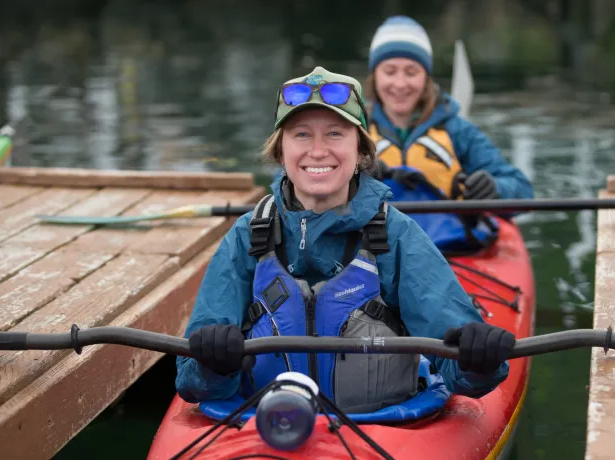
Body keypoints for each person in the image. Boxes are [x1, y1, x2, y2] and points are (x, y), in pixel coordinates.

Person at [174, 67, 515, 416]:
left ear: (361, 154)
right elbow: (190, 380)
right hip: (262, 430)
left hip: (379, 432)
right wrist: (213, 363)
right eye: (301, 134)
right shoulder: (247, 235)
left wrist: (479, 359)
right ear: (281, 152)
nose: (318, 151)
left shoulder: (398, 236)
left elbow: (462, 376)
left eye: (335, 134)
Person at [364, 15, 534, 253]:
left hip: (448, 250)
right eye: (390, 71)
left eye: (411, 72)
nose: (400, 84)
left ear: (426, 77)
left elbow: (522, 191)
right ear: (375, 76)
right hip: (376, 250)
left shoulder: (457, 130)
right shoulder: (354, 129)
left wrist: (495, 189)